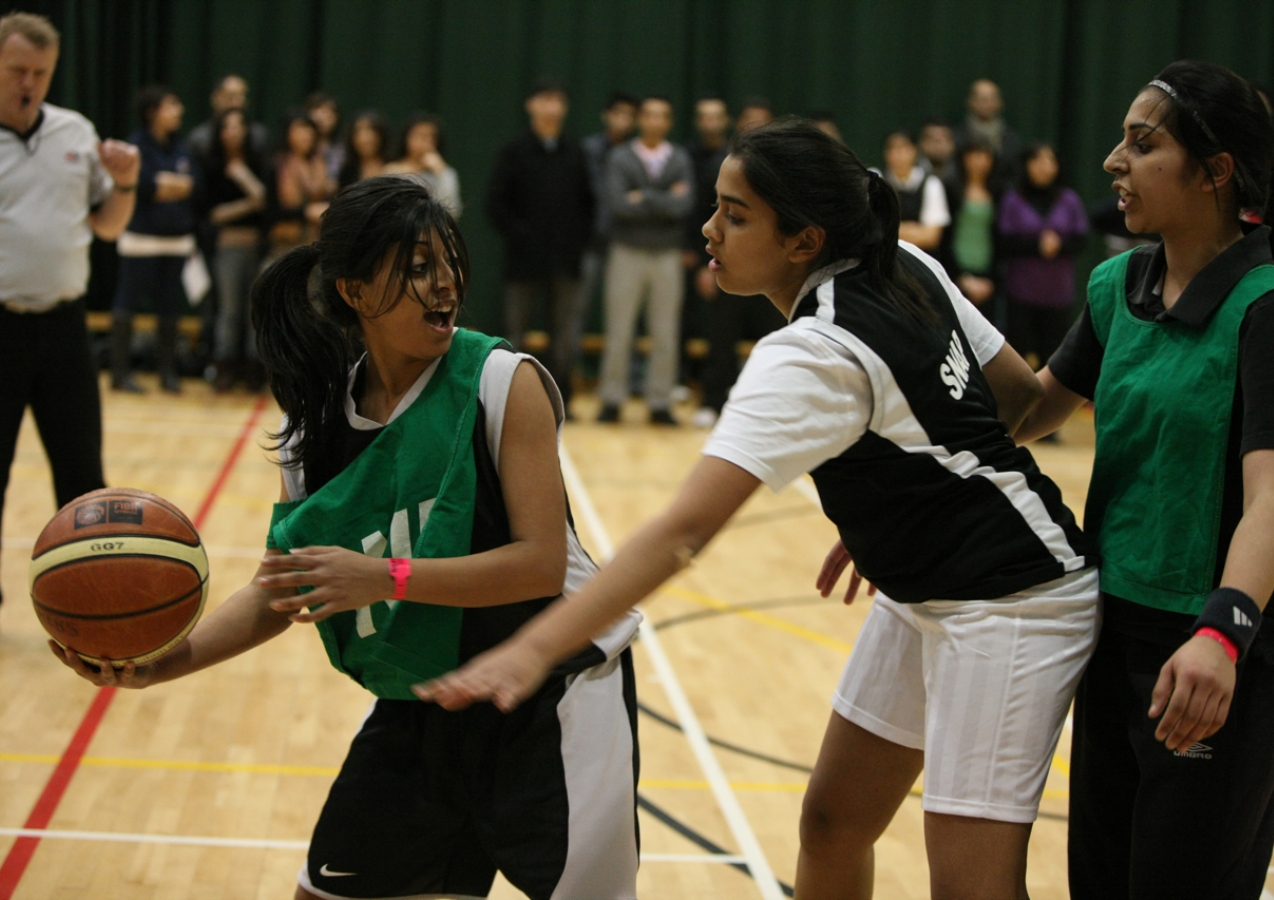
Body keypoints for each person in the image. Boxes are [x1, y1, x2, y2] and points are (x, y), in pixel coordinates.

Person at [419, 119, 1100, 900]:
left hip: (1012, 602)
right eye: (716, 206)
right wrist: (902, 507)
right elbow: (1012, 406)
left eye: (735, 215)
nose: (709, 229)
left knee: (970, 887)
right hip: (928, 590)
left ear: (804, 240)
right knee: (834, 823)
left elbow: (682, 533)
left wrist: (533, 649)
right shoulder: (903, 260)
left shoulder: (814, 349)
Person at [54, 174, 641, 900]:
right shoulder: (316, 431)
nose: (444, 284)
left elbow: (541, 565)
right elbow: (279, 591)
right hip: (421, 701)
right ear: (356, 292)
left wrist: (389, 578)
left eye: (448, 262)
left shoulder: (500, 381)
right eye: (416, 267)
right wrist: (159, 663)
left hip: (554, 697)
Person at [1013, 60, 1274, 899]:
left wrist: (1222, 634)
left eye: (1142, 143)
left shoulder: (1267, 305)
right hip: (1111, 633)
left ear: (1213, 171)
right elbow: (1028, 415)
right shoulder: (1115, 285)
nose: (1111, 162)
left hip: (1216, 651)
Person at [0, 11, 139, 610]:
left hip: (64, 327)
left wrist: (126, 183)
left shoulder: (75, 132)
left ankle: (88, 600)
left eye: (41, 72)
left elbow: (108, 226)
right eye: (16, 70)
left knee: (83, 474)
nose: (29, 82)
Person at [485, 81, 594, 408]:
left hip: (565, 260)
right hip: (523, 259)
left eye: (557, 101)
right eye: (545, 100)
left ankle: (561, 399)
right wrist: (522, 236)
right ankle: (507, 399)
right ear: (531, 105)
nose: (551, 108)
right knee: (514, 332)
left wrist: (575, 241)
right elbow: (495, 205)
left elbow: (589, 204)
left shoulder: (575, 151)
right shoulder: (513, 151)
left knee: (564, 337)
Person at [596, 95, 694, 425]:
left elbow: (685, 205)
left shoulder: (679, 157)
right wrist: (664, 197)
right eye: (649, 115)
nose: (655, 121)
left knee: (665, 332)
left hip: (667, 255)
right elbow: (619, 205)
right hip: (626, 252)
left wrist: (643, 196)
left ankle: (660, 402)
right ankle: (612, 400)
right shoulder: (621, 156)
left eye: (662, 116)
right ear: (640, 120)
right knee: (619, 330)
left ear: (669, 122)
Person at [690, 95, 780, 429]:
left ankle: (772, 408)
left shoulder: (783, 173)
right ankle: (713, 403)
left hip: (771, 269)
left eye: (762, 120)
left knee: (773, 340)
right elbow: (704, 216)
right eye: (749, 120)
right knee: (721, 336)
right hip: (727, 264)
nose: (755, 126)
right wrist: (704, 262)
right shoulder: (724, 167)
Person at [113, 84, 199, 394]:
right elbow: (148, 186)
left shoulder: (181, 147)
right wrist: (172, 186)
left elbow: (194, 185)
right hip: (141, 240)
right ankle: (120, 373)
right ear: (153, 112)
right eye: (172, 105)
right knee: (128, 303)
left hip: (176, 240)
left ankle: (167, 372)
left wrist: (170, 186)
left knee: (170, 307)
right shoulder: (136, 146)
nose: (179, 111)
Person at [996, 143, 1088, 369]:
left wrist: (1059, 245)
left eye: (1050, 160)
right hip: (1021, 294)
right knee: (1018, 359)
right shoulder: (1013, 199)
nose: (1044, 167)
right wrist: (1038, 246)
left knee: (1054, 360)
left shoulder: (1069, 199)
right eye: (1037, 160)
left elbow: (1081, 240)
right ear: (1027, 165)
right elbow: (1003, 242)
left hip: (1058, 296)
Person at [201, 107, 268, 393]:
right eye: (227, 127)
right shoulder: (212, 165)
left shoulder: (258, 162)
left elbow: (264, 199)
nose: (233, 132)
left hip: (256, 246)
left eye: (239, 126)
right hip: (227, 246)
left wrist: (242, 176)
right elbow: (213, 214)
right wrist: (248, 204)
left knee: (255, 310)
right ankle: (224, 367)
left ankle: (254, 369)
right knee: (229, 311)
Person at [579, 91, 639, 380]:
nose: (623, 121)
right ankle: (570, 377)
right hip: (589, 242)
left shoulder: (639, 153)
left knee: (627, 316)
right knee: (577, 310)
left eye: (629, 115)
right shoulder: (588, 150)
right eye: (618, 113)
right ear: (606, 115)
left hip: (627, 243)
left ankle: (631, 378)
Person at [944, 139, 1003, 325]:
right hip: (955, 274)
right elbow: (944, 238)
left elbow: (1001, 239)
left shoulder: (1000, 192)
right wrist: (961, 277)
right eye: (974, 155)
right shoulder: (950, 190)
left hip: (988, 278)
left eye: (984, 155)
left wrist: (990, 280)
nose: (979, 161)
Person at [877, 129, 950, 255]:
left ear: (915, 151)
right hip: (881, 259)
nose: (899, 154)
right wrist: (915, 229)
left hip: (920, 263)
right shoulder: (875, 180)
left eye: (904, 148)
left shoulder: (931, 184)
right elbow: (871, 230)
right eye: (893, 148)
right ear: (886, 153)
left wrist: (889, 229)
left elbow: (931, 237)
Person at [269, 109, 329, 259]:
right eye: (300, 129)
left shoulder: (319, 164)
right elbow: (270, 210)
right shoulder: (276, 165)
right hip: (283, 244)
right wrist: (305, 212)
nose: (306, 135)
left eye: (310, 130)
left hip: (316, 244)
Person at [382, 112, 461, 216]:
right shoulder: (391, 171)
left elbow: (453, 211)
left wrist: (442, 172)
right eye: (419, 135)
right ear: (406, 137)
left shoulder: (444, 172)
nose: (425, 141)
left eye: (431, 136)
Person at [186, 73, 269, 166]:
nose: (237, 103)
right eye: (231, 97)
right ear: (216, 98)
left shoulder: (258, 137)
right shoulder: (199, 140)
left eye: (242, 97)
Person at [957, 79, 1022, 191]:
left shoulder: (1011, 140)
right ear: (971, 101)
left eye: (992, 99)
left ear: (1000, 103)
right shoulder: (957, 136)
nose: (987, 103)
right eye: (982, 99)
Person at [336, 109, 388, 189]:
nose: (365, 139)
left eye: (370, 132)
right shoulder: (347, 171)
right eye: (358, 133)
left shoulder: (394, 165)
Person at [305, 91, 343, 185]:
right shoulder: (296, 147)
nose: (323, 116)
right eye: (318, 109)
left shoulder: (342, 150)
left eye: (329, 111)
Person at [918, 118, 957, 183]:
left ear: (952, 143)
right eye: (931, 138)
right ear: (921, 143)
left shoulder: (963, 173)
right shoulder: (913, 175)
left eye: (943, 138)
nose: (937, 144)